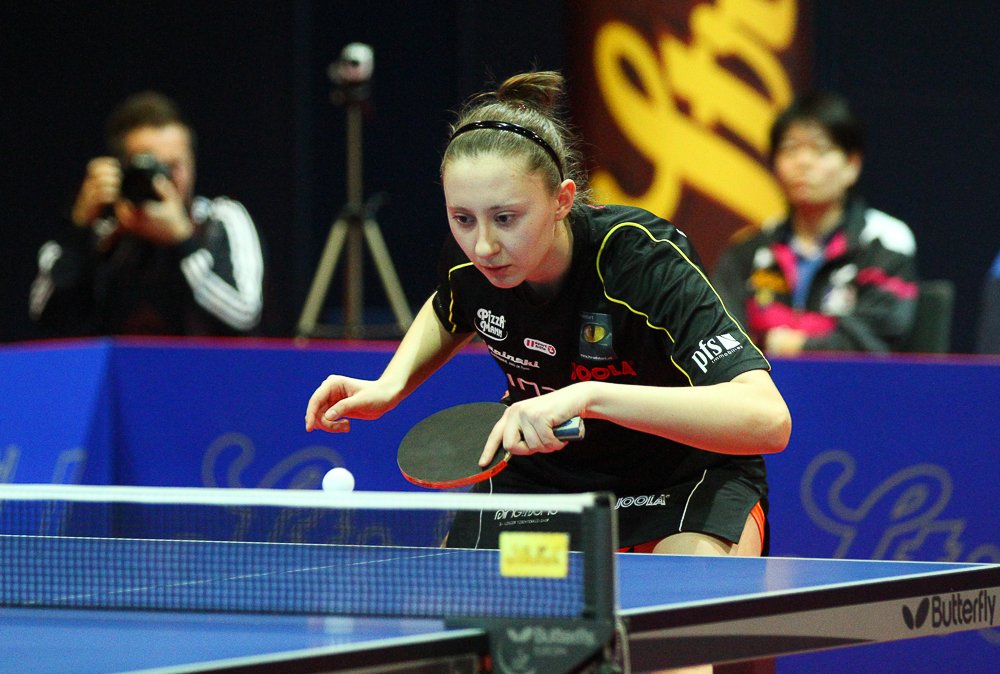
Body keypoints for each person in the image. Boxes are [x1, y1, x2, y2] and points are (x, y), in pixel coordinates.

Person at [306, 71, 790, 565]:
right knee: (476, 600)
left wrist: (588, 397)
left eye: (506, 218)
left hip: (682, 484)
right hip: (548, 493)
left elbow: (769, 421)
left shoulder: (641, 261)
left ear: (562, 200)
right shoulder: (471, 263)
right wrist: (391, 385)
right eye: (463, 218)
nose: (483, 245)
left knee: (688, 602)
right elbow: (448, 305)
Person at [29, 91, 264, 337]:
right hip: (118, 363)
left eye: (173, 166)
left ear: (193, 164)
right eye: (149, 166)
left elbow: (244, 315)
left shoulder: (220, 220)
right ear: (119, 169)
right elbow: (44, 315)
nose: (162, 181)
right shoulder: (101, 233)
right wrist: (79, 231)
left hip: (202, 363)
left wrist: (184, 241)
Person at [712, 92, 918, 356]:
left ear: (852, 166)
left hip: (851, 381)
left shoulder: (885, 243)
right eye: (790, 149)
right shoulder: (747, 250)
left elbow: (874, 339)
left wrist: (791, 345)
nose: (803, 162)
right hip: (761, 380)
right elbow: (718, 337)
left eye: (820, 150)